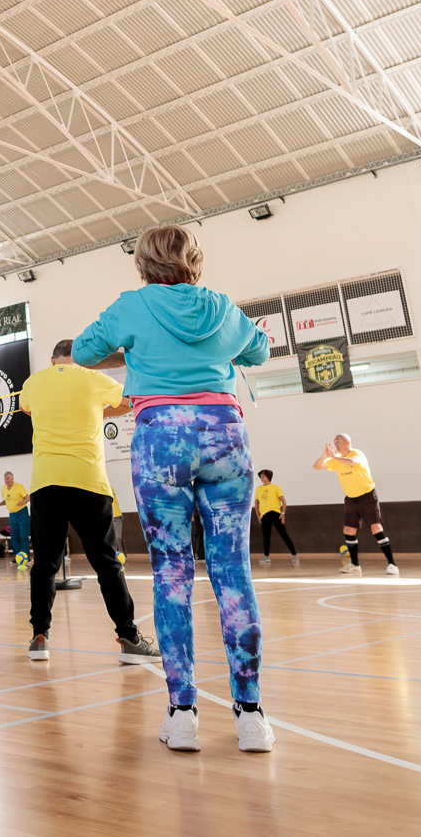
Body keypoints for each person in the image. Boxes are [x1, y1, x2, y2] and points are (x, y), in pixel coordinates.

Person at [73, 223, 275, 754]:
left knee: (171, 572)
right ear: (194, 259)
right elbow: (259, 352)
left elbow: (84, 350)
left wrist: (133, 353)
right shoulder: (223, 308)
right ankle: (251, 716)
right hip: (225, 438)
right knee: (233, 572)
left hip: (161, 437)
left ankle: (182, 713)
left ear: (143, 262)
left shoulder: (133, 306)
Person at [17, 339, 159, 664]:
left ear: (52, 360)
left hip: (46, 483)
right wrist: (98, 407)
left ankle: (40, 638)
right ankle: (128, 638)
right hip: (88, 482)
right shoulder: (93, 379)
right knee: (108, 564)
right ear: (81, 359)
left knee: (45, 566)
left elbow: (28, 408)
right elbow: (128, 403)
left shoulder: (34, 382)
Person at [314, 436, 398, 575]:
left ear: (347, 442)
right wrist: (324, 456)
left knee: (376, 528)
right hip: (351, 499)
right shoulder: (337, 458)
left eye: (338, 441)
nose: (335, 444)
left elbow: (353, 462)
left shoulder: (357, 454)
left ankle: (392, 564)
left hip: (367, 496)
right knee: (348, 530)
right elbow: (317, 467)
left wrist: (335, 457)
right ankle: (355, 565)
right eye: (334, 442)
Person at [255, 469, 297, 562]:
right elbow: (257, 502)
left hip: (275, 514)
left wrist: (283, 513)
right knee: (266, 537)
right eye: (261, 476)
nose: (261, 478)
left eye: (263, 476)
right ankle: (266, 557)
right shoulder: (259, 489)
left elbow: (283, 501)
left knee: (284, 535)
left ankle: (294, 555)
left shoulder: (275, 487)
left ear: (268, 477)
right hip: (265, 515)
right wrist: (258, 514)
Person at [1, 472, 31, 566]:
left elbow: (28, 497)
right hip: (12, 515)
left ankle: (26, 557)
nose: (6, 481)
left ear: (12, 478)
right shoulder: (4, 489)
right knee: (14, 537)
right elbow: (5, 500)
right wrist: (0, 504)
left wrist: (22, 503)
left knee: (23, 536)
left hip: (22, 513)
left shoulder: (19, 487)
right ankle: (17, 557)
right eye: (5, 479)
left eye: (8, 479)